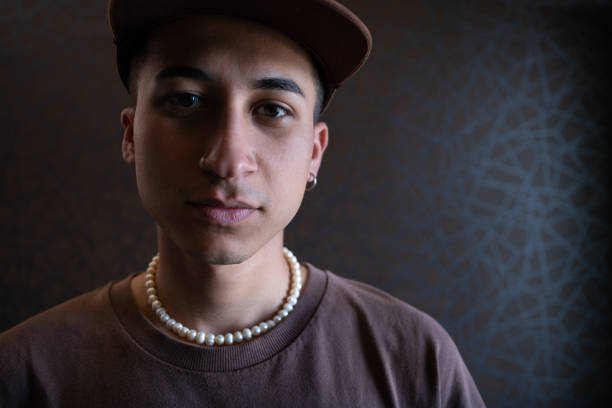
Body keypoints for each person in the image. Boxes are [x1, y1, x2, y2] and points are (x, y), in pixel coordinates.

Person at [0, 1, 485, 407]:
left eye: (272, 109)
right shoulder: (25, 371)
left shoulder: (414, 361)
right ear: (131, 136)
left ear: (314, 152)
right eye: (187, 101)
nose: (228, 160)